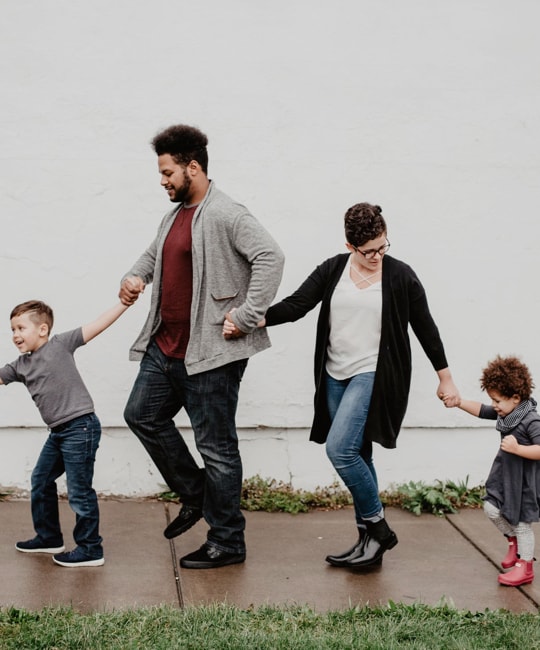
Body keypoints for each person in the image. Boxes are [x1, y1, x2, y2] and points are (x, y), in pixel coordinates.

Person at [225, 202, 459, 569]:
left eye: (384, 247)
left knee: (340, 450)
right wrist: (251, 320)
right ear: (351, 246)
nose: (378, 256)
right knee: (359, 454)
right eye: (369, 251)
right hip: (334, 375)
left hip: (373, 374)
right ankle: (368, 544)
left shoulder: (400, 276)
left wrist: (445, 377)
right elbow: (297, 305)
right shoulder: (334, 269)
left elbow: (425, 327)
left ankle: (379, 529)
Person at [120, 124, 284, 570]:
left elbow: (271, 257)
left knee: (217, 448)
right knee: (141, 415)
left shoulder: (227, 213)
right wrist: (134, 277)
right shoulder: (174, 215)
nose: (162, 180)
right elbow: (154, 255)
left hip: (210, 354)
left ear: (193, 167)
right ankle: (196, 495)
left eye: (168, 171)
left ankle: (228, 540)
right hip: (165, 347)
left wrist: (247, 315)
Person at [0, 298, 130, 567]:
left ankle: (91, 548)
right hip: (58, 432)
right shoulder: (20, 366)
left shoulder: (60, 344)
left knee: (79, 491)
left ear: (43, 329)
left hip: (80, 427)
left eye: (21, 328)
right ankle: (49, 537)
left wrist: (124, 304)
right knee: (41, 479)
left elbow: (98, 325)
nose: (15, 335)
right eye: (12, 329)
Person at [443, 355, 540, 587]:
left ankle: (525, 566)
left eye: (498, 400)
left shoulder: (531, 420)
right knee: (491, 508)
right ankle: (512, 542)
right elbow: (482, 410)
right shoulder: (507, 413)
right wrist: (458, 402)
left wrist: (518, 449)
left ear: (516, 398)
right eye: (492, 400)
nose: (494, 405)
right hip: (505, 476)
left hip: (523, 481)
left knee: (521, 523)